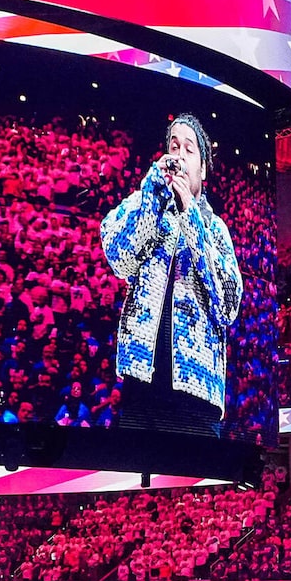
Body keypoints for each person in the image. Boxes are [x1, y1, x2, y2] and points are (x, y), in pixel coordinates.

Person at [99, 113, 242, 435]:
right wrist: (151, 195)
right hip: (139, 389)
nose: (178, 156)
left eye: (188, 149)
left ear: (203, 168)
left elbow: (227, 305)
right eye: (173, 146)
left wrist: (191, 213)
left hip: (196, 400)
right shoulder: (143, 201)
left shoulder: (215, 228)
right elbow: (119, 259)